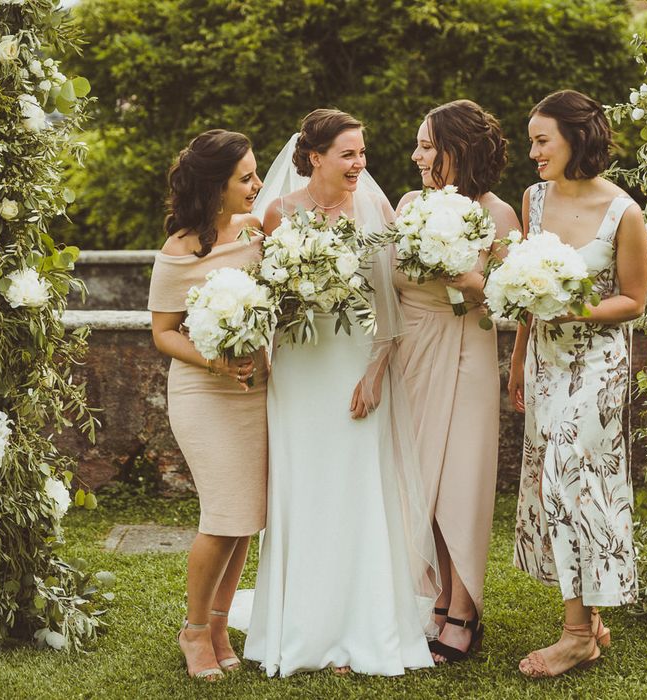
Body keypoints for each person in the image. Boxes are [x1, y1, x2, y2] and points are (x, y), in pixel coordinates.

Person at [239, 109, 439, 677]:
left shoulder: (374, 211)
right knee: (304, 487)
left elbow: (388, 307)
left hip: (355, 364)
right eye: (348, 154)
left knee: (355, 487)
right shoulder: (278, 212)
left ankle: (361, 624)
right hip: (299, 370)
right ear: (316, 156)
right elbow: (263, 300)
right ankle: (301, 627)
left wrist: (375, 372)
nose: (360, 164)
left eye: (363, 153)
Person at [508, 89, 647, 678]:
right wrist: (517, 359)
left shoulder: (624, 212)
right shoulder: (533, 200)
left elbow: (634, 300)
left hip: (598, 365)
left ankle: (574, 637)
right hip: (544, 360)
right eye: (533, 140)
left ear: (576, 139)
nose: (533, 151)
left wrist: (574, 311)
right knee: (559, 480)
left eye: (543, 140)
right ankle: (591, 619)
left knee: (570, 469)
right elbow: (522, 289)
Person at [394, 99, 520, 663]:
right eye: (419, 144)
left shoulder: (500, 215)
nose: (417, 155)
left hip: (468, 349)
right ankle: (438, 600)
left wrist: (456, 270)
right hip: (414, 353)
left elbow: (509, 299)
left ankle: (465, 609)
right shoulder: (408, 204)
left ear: (459, 149)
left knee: (461, 481)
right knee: (421, 479)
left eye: (427, 144)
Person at [147, 129, 265, 681]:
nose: (257, 185)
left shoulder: (257, 233)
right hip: (203, 392)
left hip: (254, 391)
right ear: (216, 185)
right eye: (245, 177)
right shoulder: (179, 250)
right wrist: (216, 362)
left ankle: (219, 624)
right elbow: (164, 333)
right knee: (222, 516)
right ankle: (194, 630)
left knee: (246, 519)